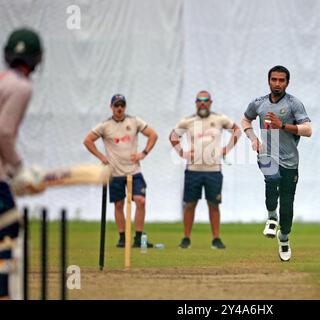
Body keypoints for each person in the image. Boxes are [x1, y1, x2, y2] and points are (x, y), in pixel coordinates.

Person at [241, 65, 312, 262]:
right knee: (271, 181)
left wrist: (282, 125)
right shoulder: (258, 103)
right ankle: (272, 218)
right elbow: (245, 121)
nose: (277, 83)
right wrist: (253, 139)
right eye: (274, 79)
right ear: (268, 81)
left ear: (287, 83)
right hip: (267, 155)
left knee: (287, 202)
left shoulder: (293, 104)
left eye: (281, 80)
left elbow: (308, 130)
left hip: (290, 160)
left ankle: (284, 237)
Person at [0, 28, 43, 299]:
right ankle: (3, 292)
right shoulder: (22, 87)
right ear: (37, 58)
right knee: (9, 228)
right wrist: (19, 169)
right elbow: (3, 132)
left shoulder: (3, 80)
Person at [84, 94, 158, 248]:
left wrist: (143, 153)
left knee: (140, 201)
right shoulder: (105, 125)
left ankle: (138, 238)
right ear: (111, 107)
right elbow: (88, 140)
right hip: (115, 172)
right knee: (119, 204)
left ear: (125, 107)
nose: (119, 108)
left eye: (122, 105)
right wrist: (102, 157)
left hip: (134, 171)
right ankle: (122, 237)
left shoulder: (134, 121)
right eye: (116, 105)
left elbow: (153, 135)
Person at [169, 90, 241, 249]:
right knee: (190, 204)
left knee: (213, 204)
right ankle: (186, 238)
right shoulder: (188, 121)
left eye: (205, 100)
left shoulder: (219, 119)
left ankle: (216, 238)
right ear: (196, 103)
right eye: (199, 100)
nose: (202, 103)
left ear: (210, 102)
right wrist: (182, 152)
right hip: (193, 170)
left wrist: (226, 149)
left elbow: (237, 130)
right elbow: (173, 136)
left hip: (213, 170)